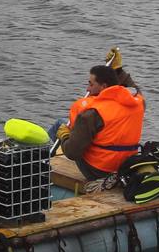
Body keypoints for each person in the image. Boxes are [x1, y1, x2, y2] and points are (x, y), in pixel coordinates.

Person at [56, 48, 145, 183]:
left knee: (60, 124)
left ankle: (42, 161)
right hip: (125, 167)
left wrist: (64, 136)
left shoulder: (91, 114)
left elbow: (72, 153)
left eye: (91, 84)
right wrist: (118, 70)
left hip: (98, 170)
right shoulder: (139, 103)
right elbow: (132, 88)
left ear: (103, 87)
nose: (88, 89)